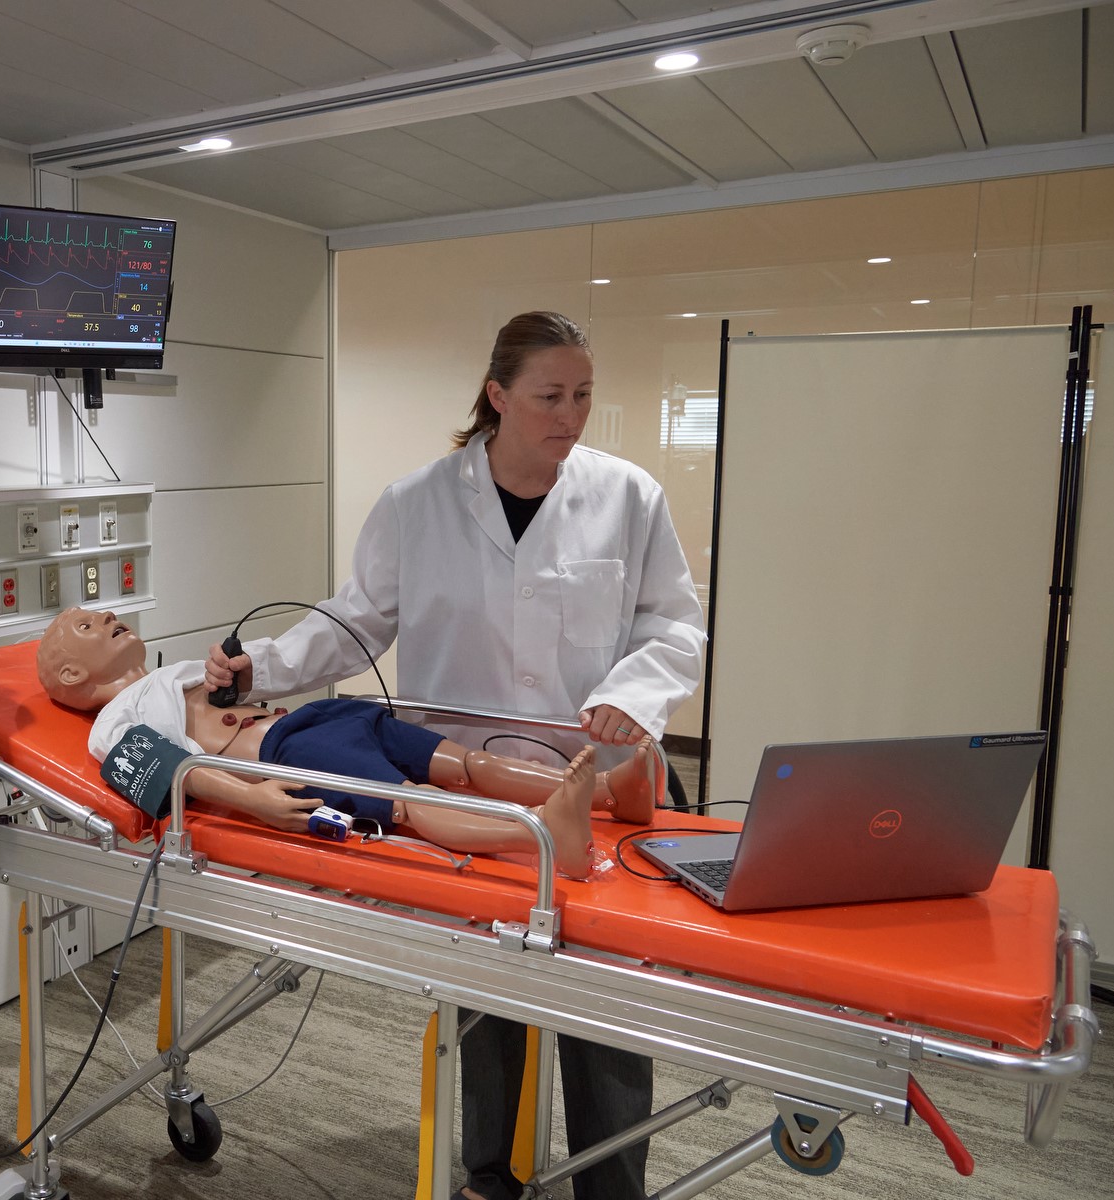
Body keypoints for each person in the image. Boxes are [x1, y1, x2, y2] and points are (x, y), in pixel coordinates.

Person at [204, 311, 705, 1200]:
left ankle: (612, 1186)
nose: (571, 414)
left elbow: (672, 625)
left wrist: (633, 693)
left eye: (583, 394)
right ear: (498, 395)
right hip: (471, 790)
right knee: (490, 986)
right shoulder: (418, 503)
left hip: (591, 779)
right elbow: (355, 622)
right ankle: (491, 1176)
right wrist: (260, 672)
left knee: (608, 1002)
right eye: (550, 395)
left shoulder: (629, 497)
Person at [34, 607, 660, 876]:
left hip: (324, 719)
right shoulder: (112, 724)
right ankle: (546, 836)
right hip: (288, 752)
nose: (108, 617)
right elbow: (176, 773)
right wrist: (255, 803)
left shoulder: (169, 674)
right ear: (70, 675)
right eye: (88, 626)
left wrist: (236, 675)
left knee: (464, 761)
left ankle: (609, 793)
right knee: (407, 801)